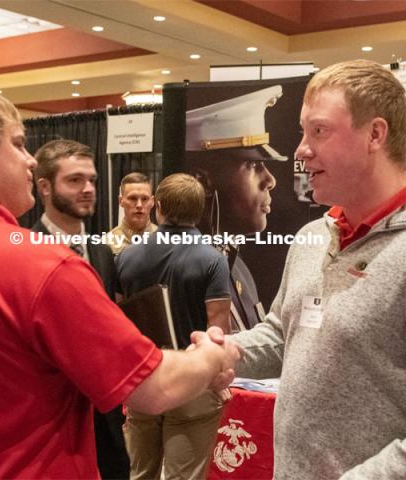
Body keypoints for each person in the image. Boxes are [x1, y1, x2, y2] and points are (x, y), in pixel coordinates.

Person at [0, 81, 242, 479]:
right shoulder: (37, 264)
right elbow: (154, 386)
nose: (30, 161)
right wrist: (215, 353)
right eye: (19, 143)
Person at [226, 59, 406, 479]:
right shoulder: (312, 235)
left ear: (375, 134)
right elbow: (280, 335)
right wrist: (223, 353)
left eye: (319, 131)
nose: (301, 149)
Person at [116, 173, 231, 480]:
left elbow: (117, 321)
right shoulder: (212, 259)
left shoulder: (127, 257)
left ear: (159, 206)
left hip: (143, 380)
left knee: (138, 474)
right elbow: (218, 327)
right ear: (201, 210)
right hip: (193, 384)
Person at [32, 139, 127, 479]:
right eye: (74, 180)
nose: (88, 189)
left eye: (92, 180)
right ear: (44, 186)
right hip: (50, 415)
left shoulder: (102, 250)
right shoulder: (26, 251)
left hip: (106, 411)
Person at [187, 86, 284, 330]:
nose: (270, 180)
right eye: (253, 164)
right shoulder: (186, 272)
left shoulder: (234, 263)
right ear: (204, 181)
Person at [107, 172, 157, 255]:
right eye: (132, 198)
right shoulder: (107, 244)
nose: (139, 205)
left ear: (152, 202)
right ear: (120, 201)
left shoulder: (165, 241)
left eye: (144, 199)